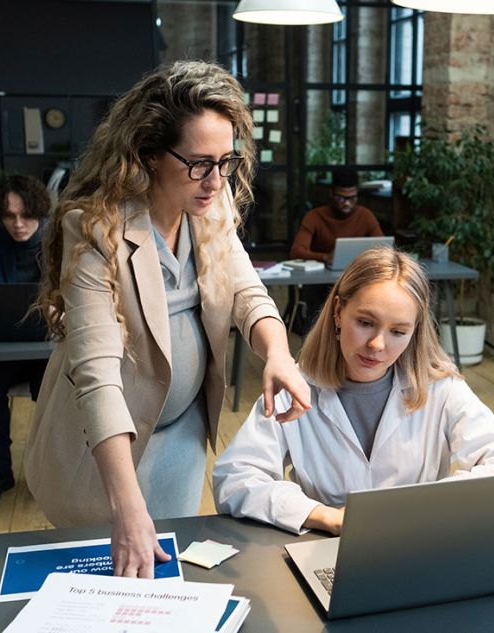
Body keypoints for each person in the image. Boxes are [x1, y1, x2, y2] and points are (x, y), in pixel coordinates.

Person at [24, 61, 311, 577]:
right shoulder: (94, 230)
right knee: (106, 576)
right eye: (200, 163)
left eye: (227, 161)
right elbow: (98, 376)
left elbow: (246, 289)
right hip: (104, 447)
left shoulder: (209, 201)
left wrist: (278, 353)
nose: (217, 180)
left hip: (180, 432)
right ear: (151, 154)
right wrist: (127, 508)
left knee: (163, 577)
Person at [213, 247, 494, 535]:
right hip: (324, 550)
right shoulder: (294, 388)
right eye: (365, 322)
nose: (377, 345)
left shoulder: (441, 389)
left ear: (414, 332)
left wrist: (431, 504)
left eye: (397, 331)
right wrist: (324, 516)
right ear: (338, 311)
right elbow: (234, 478)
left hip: (418, 547)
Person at [0, 174, 51, 509]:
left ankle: (49, 472)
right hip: (3, 348)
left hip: (48, 349)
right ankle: (0, 471)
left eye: (26, 216)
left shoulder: (58, 239)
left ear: (39, 211)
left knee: (51, 390)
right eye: (9, 216)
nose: (18, 224)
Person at [289, 166, 383, 265]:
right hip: (322, 276)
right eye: (341, 198)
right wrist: (325, 257)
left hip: (355, 274)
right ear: (331, 193)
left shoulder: (365, 215)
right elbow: (296, 252)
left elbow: (384, 250)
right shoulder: (314, 216)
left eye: (352, 198)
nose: (347, 203)